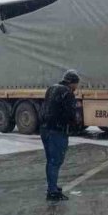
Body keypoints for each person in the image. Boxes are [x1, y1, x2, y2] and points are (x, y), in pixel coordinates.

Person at [40, 69, 80, 201]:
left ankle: (52, 186)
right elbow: (70, 114)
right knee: (56, 161)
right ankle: (52, 192)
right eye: (76, 85)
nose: (76, 88)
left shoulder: (51, 89)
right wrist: (75, 124)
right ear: (72, 83)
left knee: (50, 160)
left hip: (45, 129)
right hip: (58, 131)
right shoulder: (67, 93)